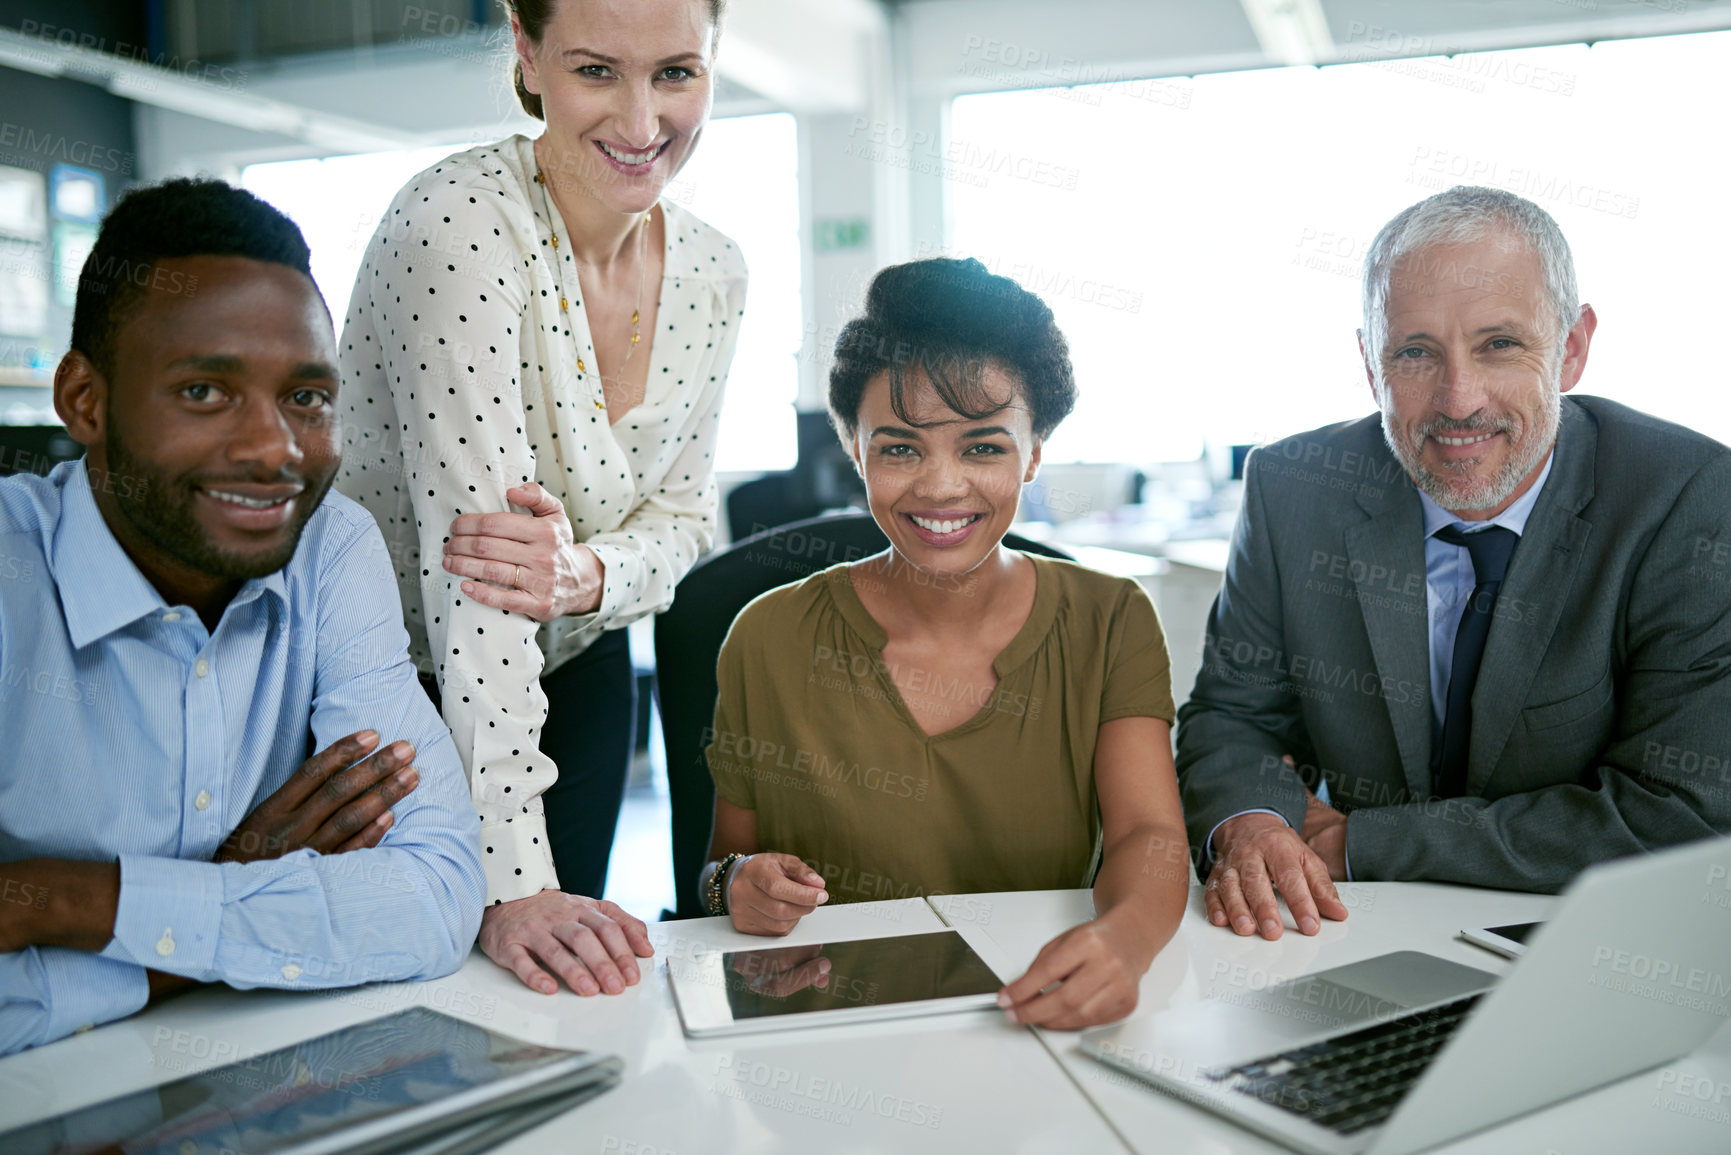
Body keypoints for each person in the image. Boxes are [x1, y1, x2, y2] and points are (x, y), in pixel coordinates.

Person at [0, 178, 485, 1055]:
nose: (274, 449)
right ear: (86, 402)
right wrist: (234, 902)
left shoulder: (330, 542)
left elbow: (433, 900)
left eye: (306, 396)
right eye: (204, 392)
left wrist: (80, 900)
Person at [1178, 185, 1731, 942]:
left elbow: (1682, 810)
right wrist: (1252, 824)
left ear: (1570, 348)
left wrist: (1359, 843)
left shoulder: (1687, 497)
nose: (1458, 399)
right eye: (1413, 352)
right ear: (1371, 367)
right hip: (1340, 933)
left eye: (1499, 344)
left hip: (1595, 948)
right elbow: (1233, 715)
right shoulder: (1294, 486)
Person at [336, 0, 745, 997]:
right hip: (407, 688)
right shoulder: (461, 228)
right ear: (526, 49)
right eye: (598, 71)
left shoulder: (715, 272)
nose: (644, 124)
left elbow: (687, 519)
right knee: (435, 1003)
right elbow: (477, 579)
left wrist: (590, 574)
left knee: (569, 1003)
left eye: (678, 74)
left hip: (581, 667)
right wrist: (511, 881)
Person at [701, 259, 1192, 1030]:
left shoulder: (1110, 618)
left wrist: (1122, 941)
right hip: (830, 1035)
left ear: (1033, 451)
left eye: (983, 448)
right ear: (852, 447)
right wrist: (735, 886)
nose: (938, 485)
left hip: (1030, 1011)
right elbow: (722, 862)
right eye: (898, 448)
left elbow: (1147, 833)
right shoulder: (768, 636)